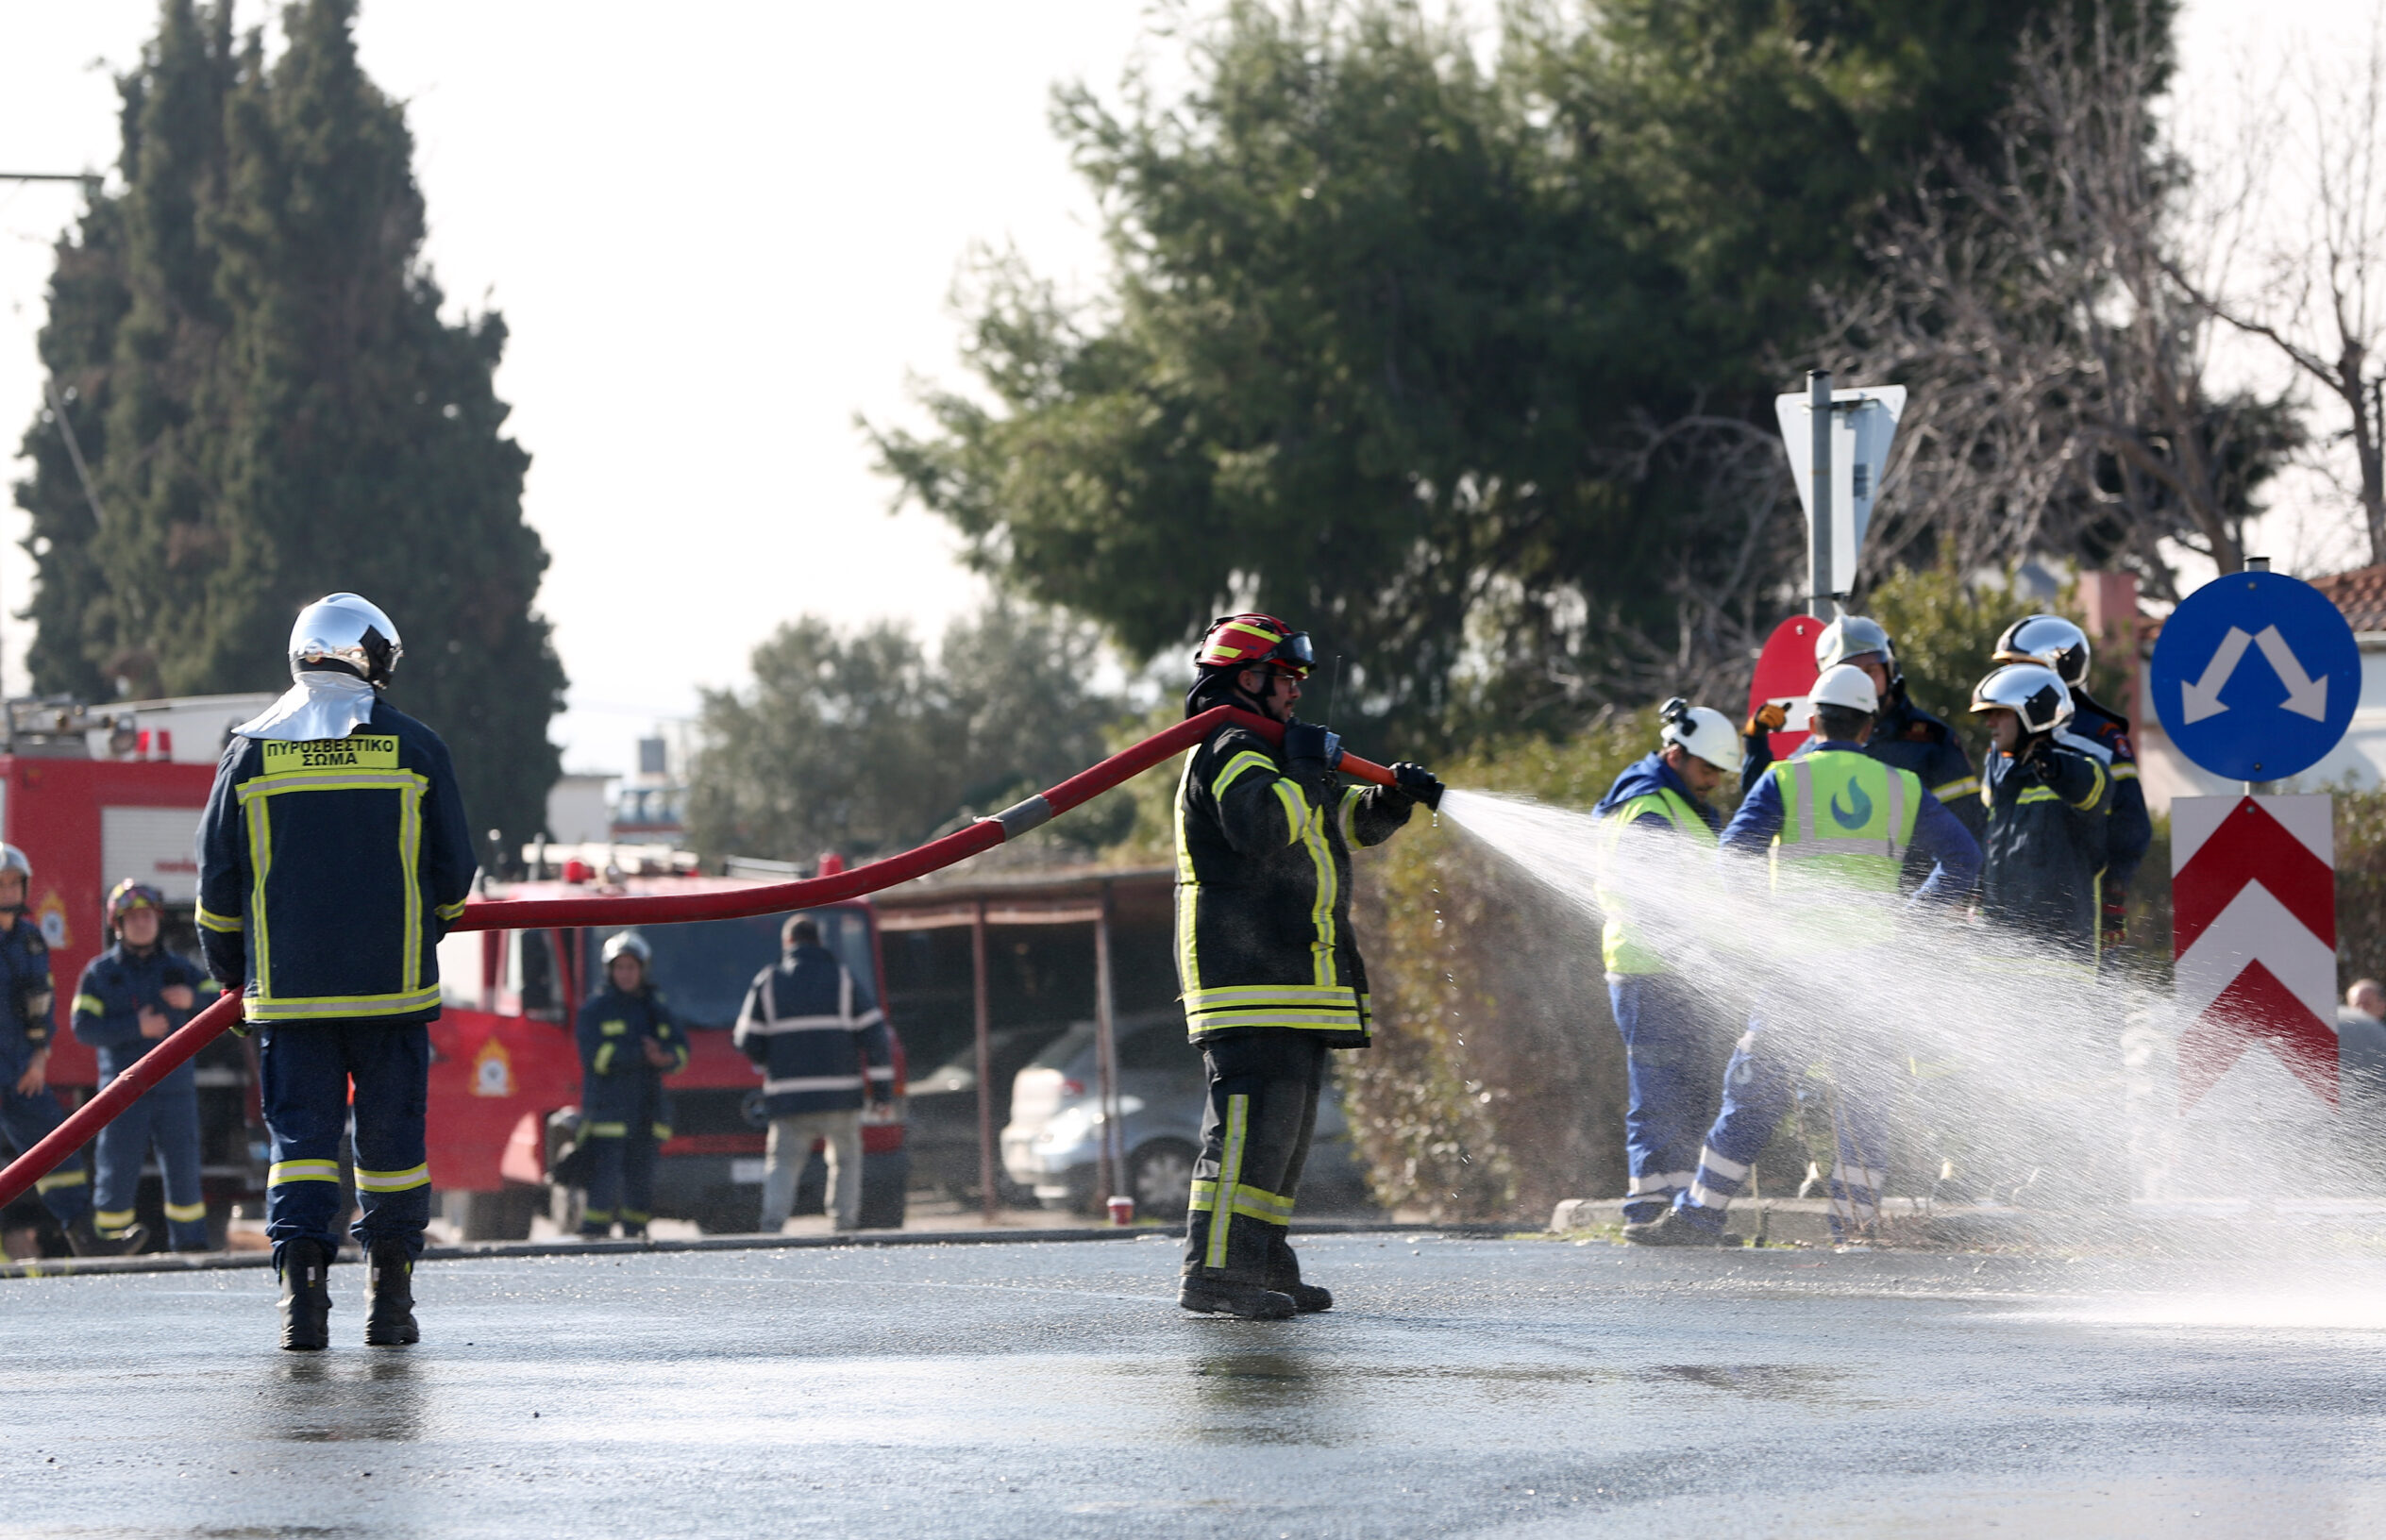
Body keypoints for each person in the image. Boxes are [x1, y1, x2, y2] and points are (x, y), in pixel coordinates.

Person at [197, 594, 477, 1351]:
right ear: (375, 657)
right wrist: (420, 933)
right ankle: (390, 1303)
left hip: (288, 999)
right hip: (393, 991)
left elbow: (218, 889)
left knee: (302, 1150)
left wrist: (236, 978)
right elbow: (454, 877)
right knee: (390, 1150)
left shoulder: (248, 750)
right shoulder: (416, 747)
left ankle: (303, 1305)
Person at [1630, 663, 1980, 1247]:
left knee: (1753, 1089)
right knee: (1865, 1099)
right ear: (1869, 727)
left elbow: (1732, 860)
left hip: (1797, 967)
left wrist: (1763, 924)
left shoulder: (1784, 780)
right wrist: (1909, 918)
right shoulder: (1902, 787)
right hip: (1874, 969)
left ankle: (1701, 1215)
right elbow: (1964, 860)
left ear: (1813, 721)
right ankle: (1856, 1229)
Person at [1174, 612, 1443, 1318]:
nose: (1296, 691)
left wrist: (1390, 798)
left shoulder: (1276, 752)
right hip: (1247, 978)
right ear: (1246, 677)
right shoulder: (1231, 748)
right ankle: (1216, 1273)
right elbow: (1263, 828)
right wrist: (1302, 766)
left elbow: (1342, 823)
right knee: (1245, 1135)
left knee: (1281, 1140)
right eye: (1285, 677)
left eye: (1297, 679)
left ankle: (1262, 1260)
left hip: (1298, 980)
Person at [1591, 697, 1739, 1227]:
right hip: (1651, 968)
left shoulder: (1667, 802)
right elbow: (1650, 900)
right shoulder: (1651, 809)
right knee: (1658, 1090)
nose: (1713, 781)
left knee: (1681, 1088)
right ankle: (1649, 1205)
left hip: (1669, 969)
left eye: (1720, 772)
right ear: (1675, 753)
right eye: (1706, 769)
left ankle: (1672, 1201)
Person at [1745, 615, 1986, 848]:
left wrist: (1930, 890)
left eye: (1870, 671)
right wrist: (1755, 743)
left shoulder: (1932, 740)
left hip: (1909, 888)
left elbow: (1968, 830)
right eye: (1848, 672)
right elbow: (1763, 810)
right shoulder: (1814, 747)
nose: (1861, 682)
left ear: (1891, 671)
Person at [71, 880, 218, 1253]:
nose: (142, 923)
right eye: (132, 917)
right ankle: (107, 1246)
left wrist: (193, 999)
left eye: (148, 916)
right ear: (117, 924)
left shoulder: (181, 970)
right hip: (122, 1093)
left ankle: (191, 1246)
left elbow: (224, 1006)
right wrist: (135, 1028)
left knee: (184, 1170)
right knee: (116, 1170)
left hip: (175, 1089)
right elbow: (83, 1028)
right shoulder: (99, 974)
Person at [1992, 615, 2153, 956]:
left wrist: (2115, 895)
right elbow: (1990, 825)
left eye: (2018, 668)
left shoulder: (2101, 738)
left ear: (2057, 670)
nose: (2007, 680)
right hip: (2007, 923)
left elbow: (2131, 828)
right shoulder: (2003, 741)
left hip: (2077, 917)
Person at [735, 915, 893, 1233]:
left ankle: (772, 1226)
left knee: (782, 1163)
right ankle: (843, 1225)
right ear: (819, 942)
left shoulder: (769, 980)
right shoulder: (843, 979)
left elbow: (746, 1039)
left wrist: (768, 1060)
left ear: (787, 943)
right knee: (846, 1161)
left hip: (788, 1099)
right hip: (841, 1097)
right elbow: (876, 1036)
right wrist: (881, 1095)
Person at [0, 844, 106, 1254]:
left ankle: (85, 1236)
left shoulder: (29, 938)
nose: (8, 891)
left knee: (56, 1147)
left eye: (14, 883)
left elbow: (42, 1003)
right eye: (1, 883)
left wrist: (40, 1059)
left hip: (21, 1069)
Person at [1968, 663, 2109, 954]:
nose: (1989, 723)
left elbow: (2093, 790)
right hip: (1995, 965)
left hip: (2057, 969)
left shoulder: (2079, 770)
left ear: (2032, 713)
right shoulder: (2001, 780)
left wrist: (2053, 767)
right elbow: (1988, 854)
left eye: (1999, 713)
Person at [573, 931, 686, 1239]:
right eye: (620, 967)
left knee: (641, 1187)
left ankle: (637, 1241)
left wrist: (666, 1057)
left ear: (642, 970)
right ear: (609, 971)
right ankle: (593, 1241)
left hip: (648, 1115)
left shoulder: (655, 1008)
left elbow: (681, 1049)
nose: (626, 974)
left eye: (631, 967)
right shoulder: (595, 1010)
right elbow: (595, 1058)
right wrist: (643, 1054)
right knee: (602, 1187)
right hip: (607, 1118)